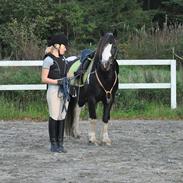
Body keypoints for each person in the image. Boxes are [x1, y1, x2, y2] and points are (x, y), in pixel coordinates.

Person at [41, 34, 71, 153]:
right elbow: (43, 79)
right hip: (53, 90)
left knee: (61, 116)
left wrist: (76, 74)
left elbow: (66, 75)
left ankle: (60, 143)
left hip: (64, 91)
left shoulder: (63, 59)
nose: (65, 48)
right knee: (54, 116)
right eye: (64, 46)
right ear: (57, 45)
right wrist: (57, 82)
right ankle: (53, 144)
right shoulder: (48, 60)